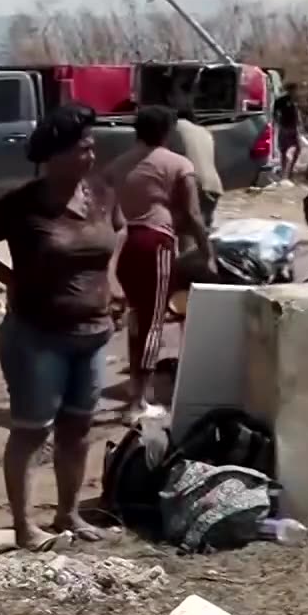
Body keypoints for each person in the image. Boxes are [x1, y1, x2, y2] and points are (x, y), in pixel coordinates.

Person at [0, 105, 122, 550]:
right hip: (37, 336)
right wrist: (10, 278)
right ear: (56, 155)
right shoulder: (24, 204)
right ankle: (25, 526)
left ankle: (68, 514)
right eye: (82, 147)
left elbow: (113, 239)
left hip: (94, 333)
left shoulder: (100, 193)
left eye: (91, 146)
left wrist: (113, 287)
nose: (91, 153)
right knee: (32, 429)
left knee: (78, 428)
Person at [107, 105, 206, 407]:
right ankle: (139, 400)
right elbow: (192, 213)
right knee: (153, 322)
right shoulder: (178, 164)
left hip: (125, 244)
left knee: (137, 316)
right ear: (166, 131)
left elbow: (110, 214)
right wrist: (207, 251)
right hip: (156, 243)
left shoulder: (117, 165)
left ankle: (135, 388)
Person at [168, 106, 222, 229]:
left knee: (186, 231)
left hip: (192, 183)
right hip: (214, 185)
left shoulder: (173, 129)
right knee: (204, 228)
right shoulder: (204, 131)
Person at [274, 83, 305, 182]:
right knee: (283, 150)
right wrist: (278, 122)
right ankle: (284, 172)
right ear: (290, 90)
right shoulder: (282, 100)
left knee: (298, 148)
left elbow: (297, 112)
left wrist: (300, 123)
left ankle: (290, 170)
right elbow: (274, 111)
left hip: (294, 127)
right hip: (285, 126)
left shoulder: (296, 99)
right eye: (294, 90)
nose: (296, 92)